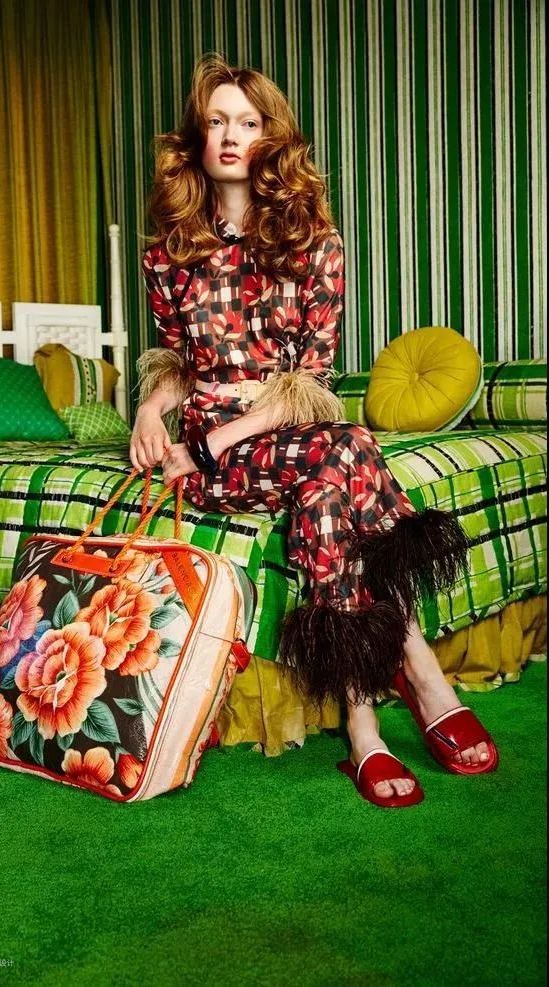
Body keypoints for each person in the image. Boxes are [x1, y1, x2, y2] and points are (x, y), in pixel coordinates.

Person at [130, 53, 498, 808]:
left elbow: (312, 383)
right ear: (197, 138)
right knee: (349, 449)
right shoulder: (168, 253)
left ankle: (363, 719)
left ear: (271, 137)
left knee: (333, 470)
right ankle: (419, 668)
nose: (230, 136)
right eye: (216, 122)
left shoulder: (314, 244)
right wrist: (148, 410)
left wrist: (213, 444)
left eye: (248, 122)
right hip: (215, 445)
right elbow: (178, 362)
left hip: (267, 432)